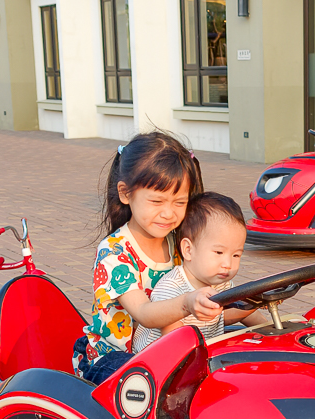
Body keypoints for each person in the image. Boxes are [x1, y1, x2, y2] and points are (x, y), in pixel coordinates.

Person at [73, 132, 221, 384]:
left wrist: (255, 307)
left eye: (179, 202)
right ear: (125, 193)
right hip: (113, 357)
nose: (168, 213)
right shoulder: (114, 252)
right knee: (152, 382)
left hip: (164, 348)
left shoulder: (180, 243)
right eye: (157, 201)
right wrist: (187, 303)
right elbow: (143, 312)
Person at [132, 193, 264, 353]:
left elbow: (237, 312)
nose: (228, 264)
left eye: (236, 255)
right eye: (218, 252)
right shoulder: (171, 288)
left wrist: (268, 327)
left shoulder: (222, 284)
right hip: (160, 364)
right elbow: (174, 341)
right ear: (188, 250)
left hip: (200, 354)